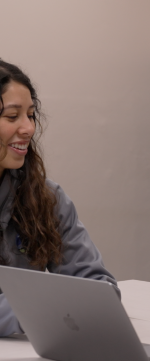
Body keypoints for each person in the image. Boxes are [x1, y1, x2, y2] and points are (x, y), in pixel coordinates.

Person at [0, 60, 118, 337]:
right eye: (12, 116)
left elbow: (99, 287)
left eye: (30, 115)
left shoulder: (47, 198)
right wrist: (54, 312)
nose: (28, 128)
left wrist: (51, 312)